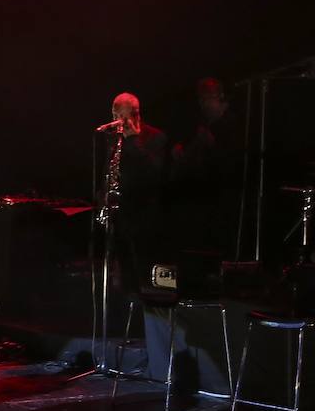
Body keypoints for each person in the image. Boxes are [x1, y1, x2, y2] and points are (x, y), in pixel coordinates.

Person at [170, 78, 244, 256]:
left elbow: (233, 162)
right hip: (202, 197)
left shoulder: (232, 124)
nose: (203, 104)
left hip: (224, 197)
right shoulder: (202, 122)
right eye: (201, 99)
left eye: (207, 98)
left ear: (220, 97)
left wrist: (211, 146)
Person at [103, 91, 168, 290]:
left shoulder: (155, 137)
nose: (117, 121)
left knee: (146, 270)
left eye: (121, 117)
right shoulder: (115, 137)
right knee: (125, 270)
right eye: (114, 116)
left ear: (135, 114)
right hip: (121, 213)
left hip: (145, 215)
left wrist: (133, 140)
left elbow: (154, 171)